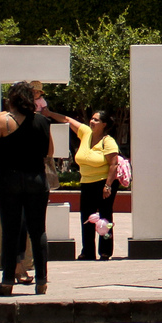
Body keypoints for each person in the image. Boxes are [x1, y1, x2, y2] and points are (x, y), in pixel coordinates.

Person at [0, 81, 56, 293]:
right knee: (38, 230)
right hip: (36, 179)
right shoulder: (43, 121)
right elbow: (50, 152)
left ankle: (7, 281)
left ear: (12, 99)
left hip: (9, 180)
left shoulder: (1, 120)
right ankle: (42, 280)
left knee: (10, 230)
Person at [61, 109, 120, 261]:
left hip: (103, 183)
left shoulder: (108, 141)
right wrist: (48, 113)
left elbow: (114, 164)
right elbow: (67, 119)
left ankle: (105, 251)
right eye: (92, 119)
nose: (92, 122)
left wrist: (108, 186)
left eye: (96, 120)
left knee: (105, 218)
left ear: (104, 124)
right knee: (87, 217)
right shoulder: (86, 133)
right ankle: (87, 251)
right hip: (86, 182)